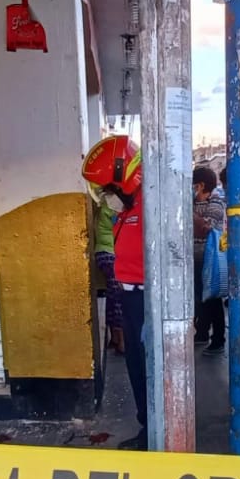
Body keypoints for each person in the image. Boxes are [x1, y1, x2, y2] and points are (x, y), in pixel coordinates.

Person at [81, 136, 147, 450]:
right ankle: (147, 427)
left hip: (149, 301)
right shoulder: (128, 210)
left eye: (107, 190)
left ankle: (153, 434)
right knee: (135, 366)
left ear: (122, 181)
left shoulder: (152, 207)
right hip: (131, 297)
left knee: (147, 368)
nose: (105, 197)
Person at [192, 166, 226, 355]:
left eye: (194, 185)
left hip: (211, 260)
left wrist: (190, 213)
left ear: (202, 185)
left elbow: (206, 228)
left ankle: (218, 339)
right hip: (195, 258)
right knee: (200, 298)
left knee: (213, 299)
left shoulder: (216, 203)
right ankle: (202, 332)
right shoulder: (194, 203)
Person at [93, 197, 124, 353]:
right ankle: (122, 340)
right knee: (118, 296)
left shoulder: (103, 201)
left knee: (112, 295)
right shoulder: (114, 204)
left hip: (102, 253)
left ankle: (115, 338)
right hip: (111, 253)